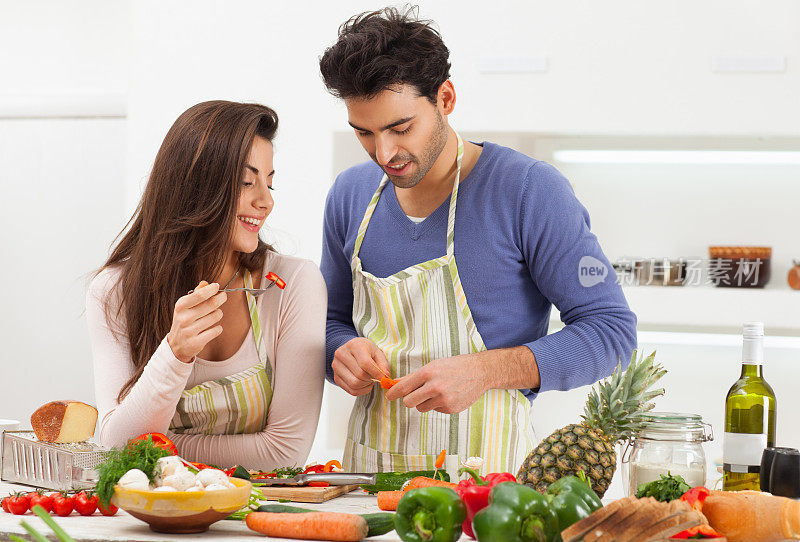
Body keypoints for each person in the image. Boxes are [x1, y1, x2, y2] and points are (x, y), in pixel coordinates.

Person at [318, 7, 637, 474]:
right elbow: (328, 322)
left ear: (445, 98)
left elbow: (611, 331)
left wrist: (485, 371)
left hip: (489, 486)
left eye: (400, 128)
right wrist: (338, 352)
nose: (383, 153)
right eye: (364, 132)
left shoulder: (528, 190)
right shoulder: (350, 195)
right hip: (368, 484)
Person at [87, 100, 326, 469]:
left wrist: (159, 450)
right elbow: (117, 448)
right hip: (151, 517)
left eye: (270, 182)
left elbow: (285, 452)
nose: (265, 201)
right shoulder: (114, 292)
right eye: (247, 182)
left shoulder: (292, 284)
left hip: (255, 518)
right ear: (194, 188)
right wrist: (175, 353)